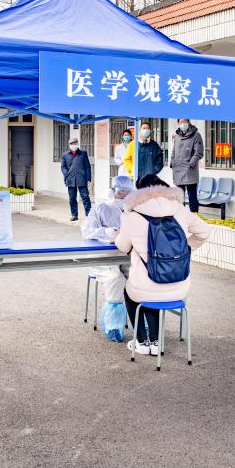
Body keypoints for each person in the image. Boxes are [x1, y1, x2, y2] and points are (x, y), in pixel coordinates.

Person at [114, 174, 211, 355]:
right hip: (179, 287)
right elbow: (205, 231)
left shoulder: (132, 215)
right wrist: (185, 250)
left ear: (140, 192)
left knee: (133, 292)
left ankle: (142, 342)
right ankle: (156, 342)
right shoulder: (179, 209)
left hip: (145, 286)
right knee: (154, 292)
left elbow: (123, 246)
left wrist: (119, 236)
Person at [82, 175, 135, 312]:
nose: (124, 196)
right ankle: (114, 319)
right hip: (103, 256)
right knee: (116, 278)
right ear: (113, 190)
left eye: (127, 192)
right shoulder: (101, 207)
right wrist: (106, 232)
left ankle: (138, 319)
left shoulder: (132, 209)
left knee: (136, 277)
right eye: (121, 192)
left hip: (124, 254)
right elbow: (87, 231)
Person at [170, 118, 204, 213]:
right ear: (178, 123)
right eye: (181, 122)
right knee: (179, 197)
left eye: (185, 121)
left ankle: (194, 216)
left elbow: (199, 152)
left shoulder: (196, 135)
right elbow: (174, 151)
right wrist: (172, 162)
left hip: (190, 170)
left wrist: (191, 163)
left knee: (192, 197)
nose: (183, 123)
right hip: (178, 170)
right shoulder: (177, 136)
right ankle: (181, 216)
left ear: (189, 122)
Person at [61, 137, 92, 221]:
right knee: (72, 198)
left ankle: (89, 215)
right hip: (71, 180)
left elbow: (87, 166)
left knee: (85, 197)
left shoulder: (83, 154)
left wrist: (88, 178)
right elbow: (63, 167)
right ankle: (74, 215)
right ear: (69, 145)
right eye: (72, 144)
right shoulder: (65, 155)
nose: (74, 145)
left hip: (82, 179)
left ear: (78, 144)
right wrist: (67, 175)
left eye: (75, 143)